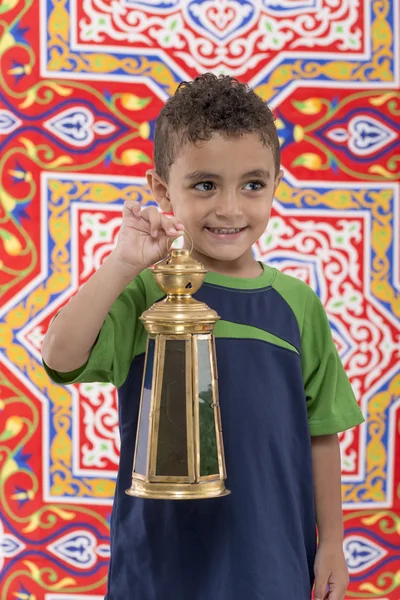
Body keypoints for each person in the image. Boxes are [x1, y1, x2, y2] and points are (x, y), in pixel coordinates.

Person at [42, 73, 364, 600]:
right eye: (205, 184)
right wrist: (122, 265)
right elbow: (60, 357)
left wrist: (333, 542)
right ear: (162, 190)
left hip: (269, 556)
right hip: (160, 559)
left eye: (253, 185)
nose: (231, 209)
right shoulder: (146, 289)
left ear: (277, 184)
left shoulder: (297, 304)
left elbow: (321, 432)